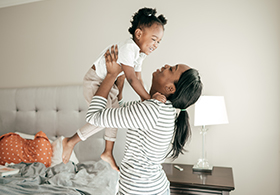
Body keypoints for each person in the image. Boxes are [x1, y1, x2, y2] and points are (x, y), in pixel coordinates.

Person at [84, 46, 202, 194]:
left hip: (141, 191)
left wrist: (110, 75)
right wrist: (120, 86)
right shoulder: (163, 108)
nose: (166, 66)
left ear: (170, 88)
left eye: (171, 69)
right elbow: (122, 112)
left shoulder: (153, 109)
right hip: (148, 188)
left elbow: (94, 116)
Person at [62, 7, 167, 171]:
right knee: (102, 118)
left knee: (114, 113)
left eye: (159, 41)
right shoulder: (128, 47)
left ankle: (107, 152)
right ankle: (70, 141)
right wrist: (149, 99)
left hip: (109, 85)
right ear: (139, 34)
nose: (156, 44)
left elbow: (138, 78)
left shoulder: (139, 54)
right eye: (154, 39)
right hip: (95, 81)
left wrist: (143, 100)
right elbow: (131, 78)